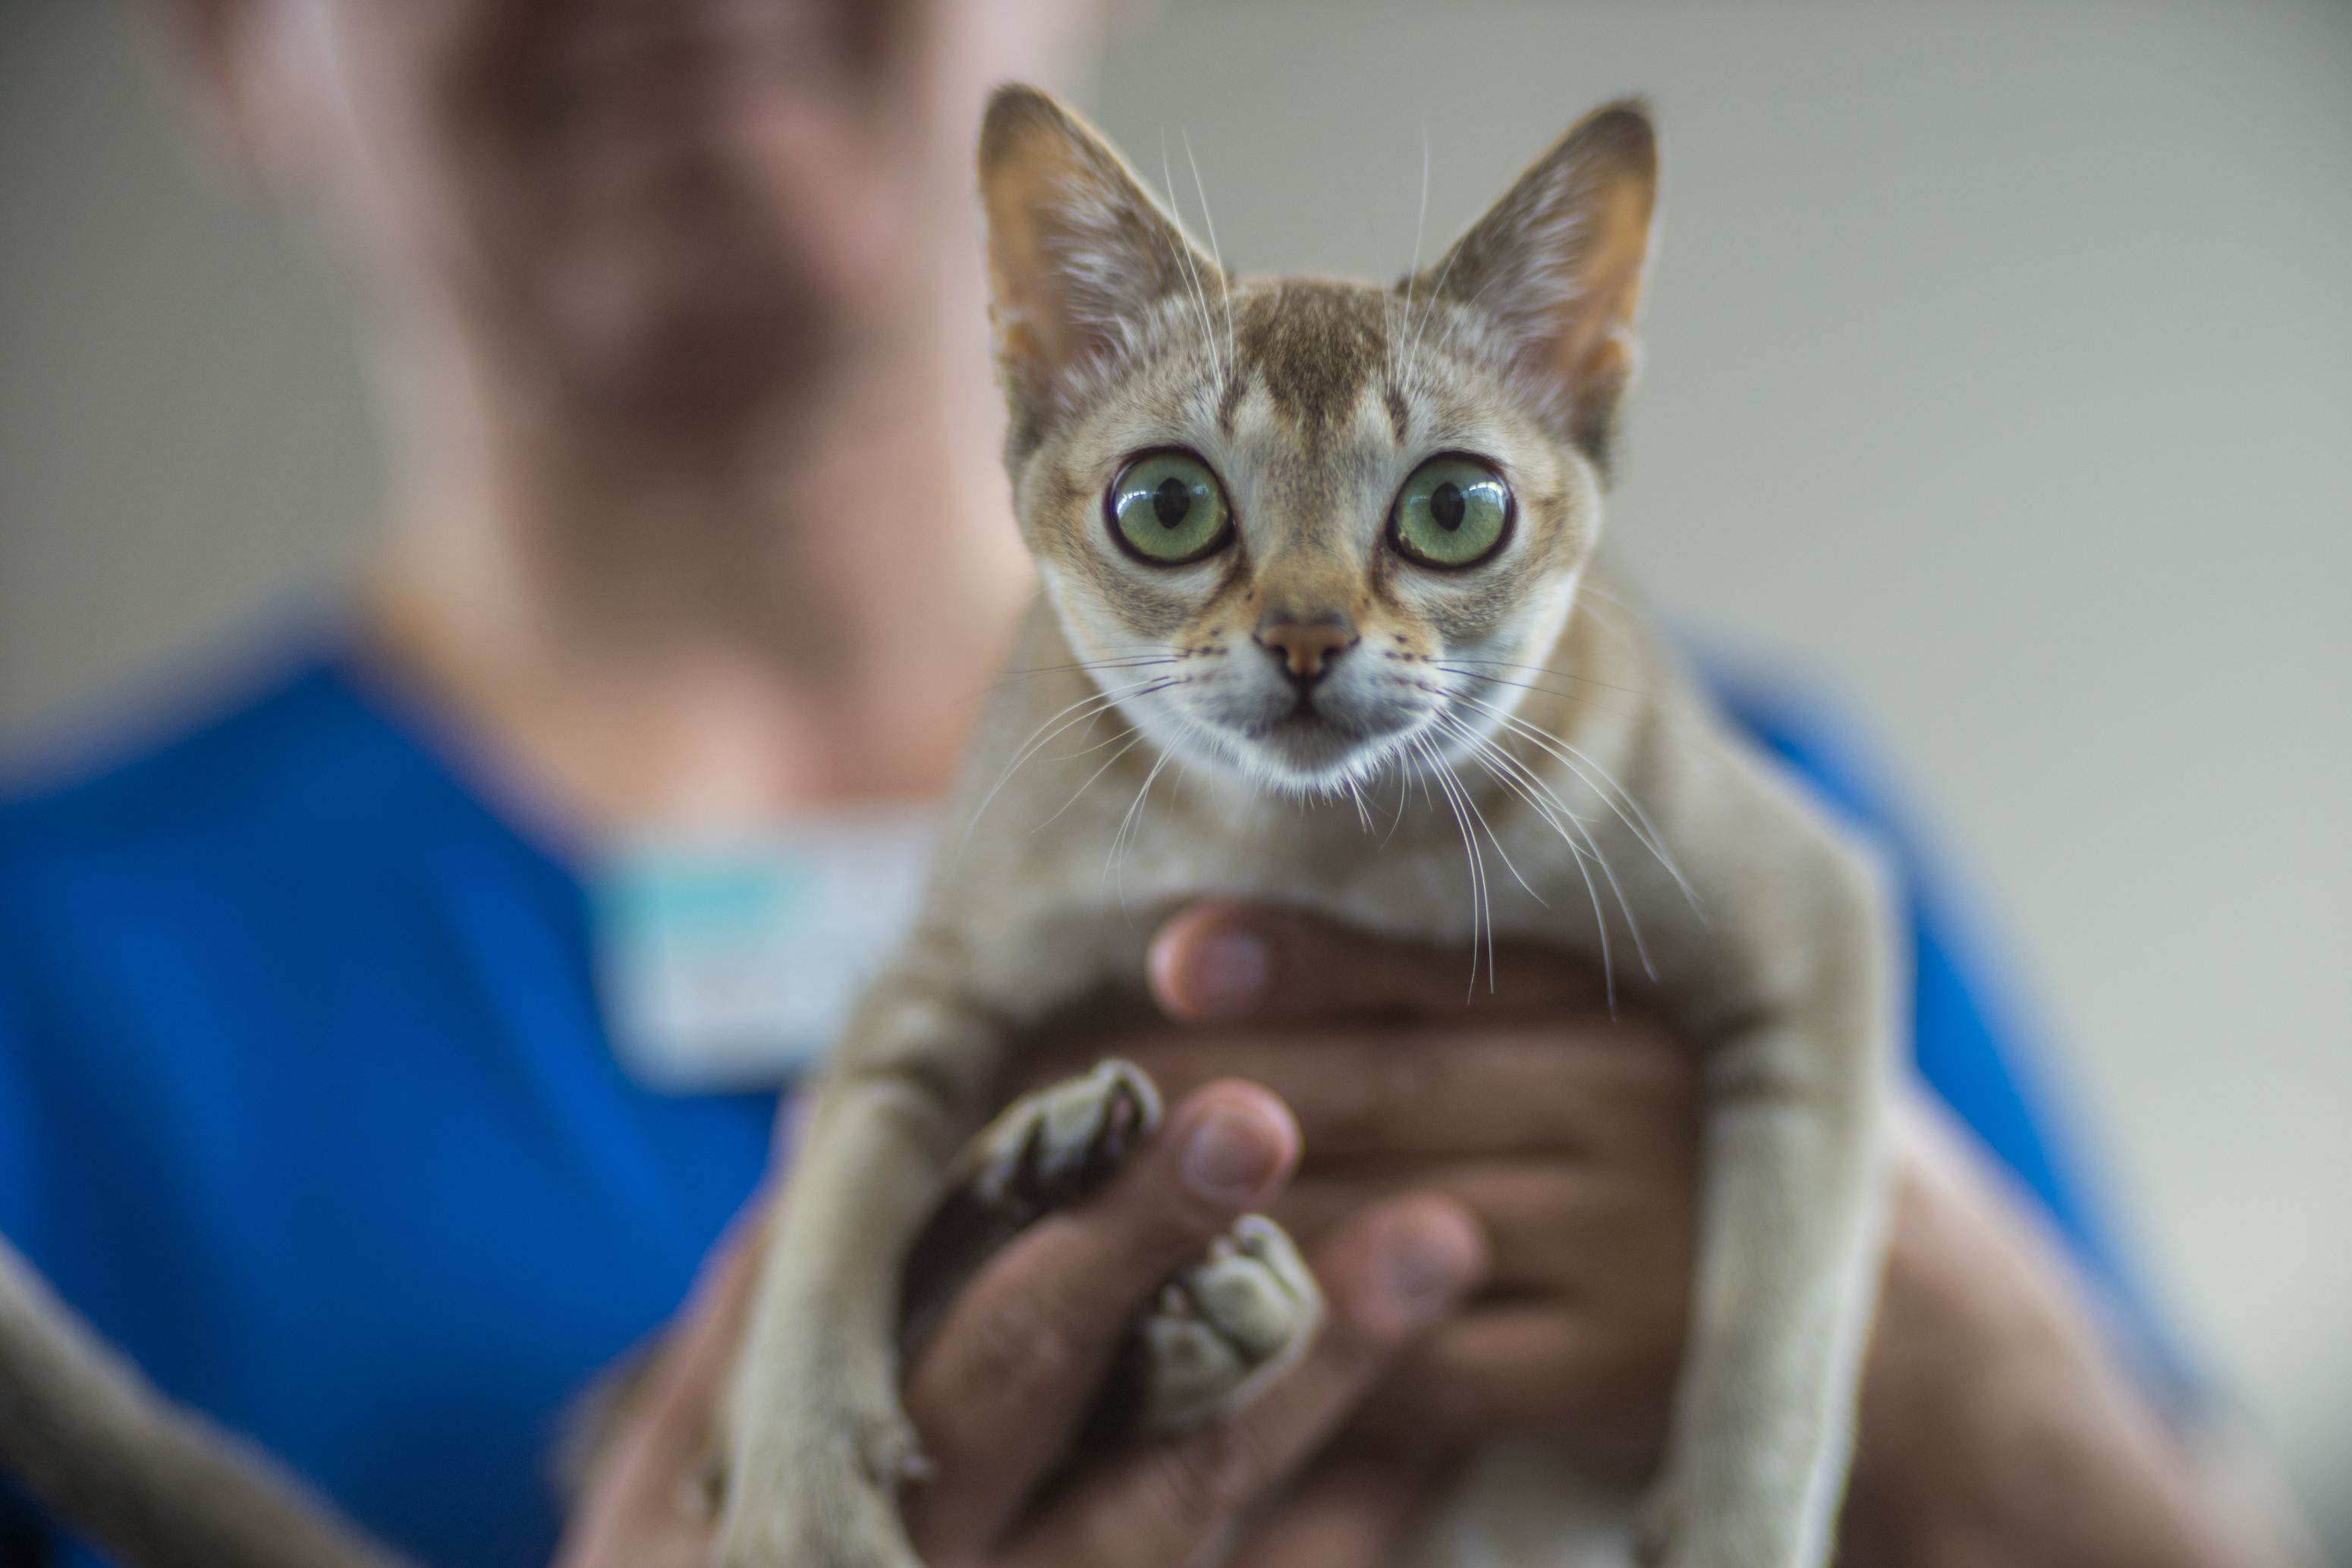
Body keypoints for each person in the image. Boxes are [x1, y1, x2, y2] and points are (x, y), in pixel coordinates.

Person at [0, 1, 2303, 1565]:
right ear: (217, 38)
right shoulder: (49, 993)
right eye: (1182, 515)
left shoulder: (1693, 802)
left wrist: (2010, 1431)